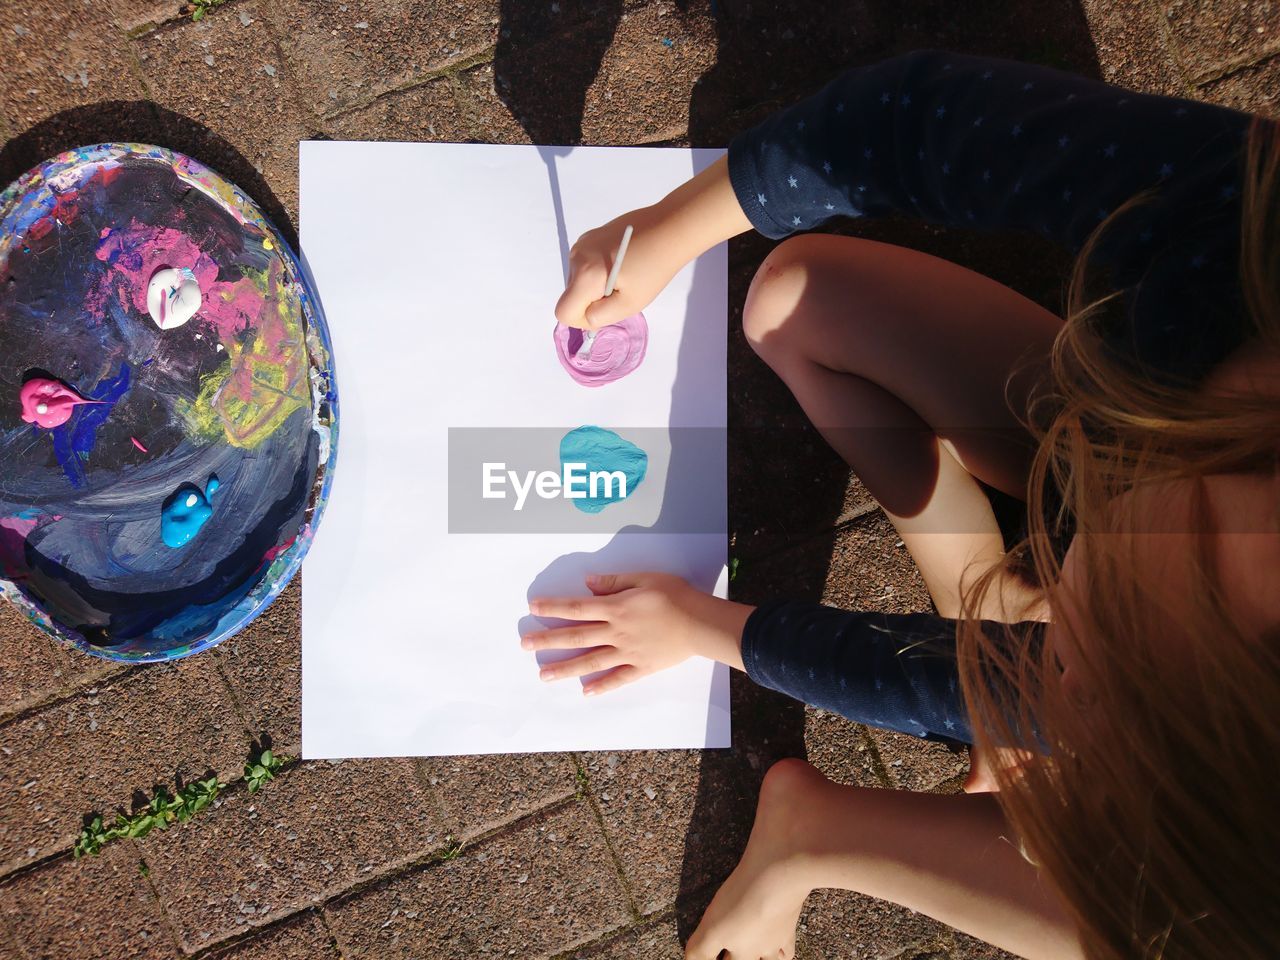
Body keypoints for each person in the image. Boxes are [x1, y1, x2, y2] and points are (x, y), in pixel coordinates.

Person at [522, 51, 1280, 959]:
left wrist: (706, 627)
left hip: (1159, 447)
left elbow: (970, 682)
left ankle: (833, 828)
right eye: (1087, 658)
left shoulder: (1196, 658)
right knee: (796, 301)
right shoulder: (1242, 239)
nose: (1057, 674)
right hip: (1150, 409)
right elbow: (912, 123)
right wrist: (673, 229)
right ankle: (999, 584)